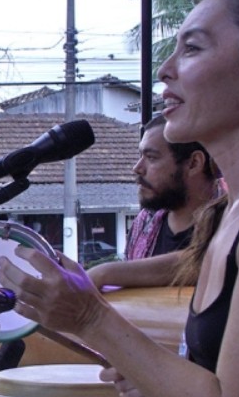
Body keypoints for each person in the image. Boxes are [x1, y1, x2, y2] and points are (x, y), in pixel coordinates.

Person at [0, 0, 239, 397]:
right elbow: (216, 390)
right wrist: (158, 386)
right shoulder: (229, 215)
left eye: (192, 48)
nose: (165, 68)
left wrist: (91, 318)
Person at [89, 114, 220, 289]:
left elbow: (208, 260)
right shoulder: (145, 222)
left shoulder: (233, 218)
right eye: (140, 156)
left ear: (194, 163)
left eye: (151, 158)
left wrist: (106, 273)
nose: (137, 168)